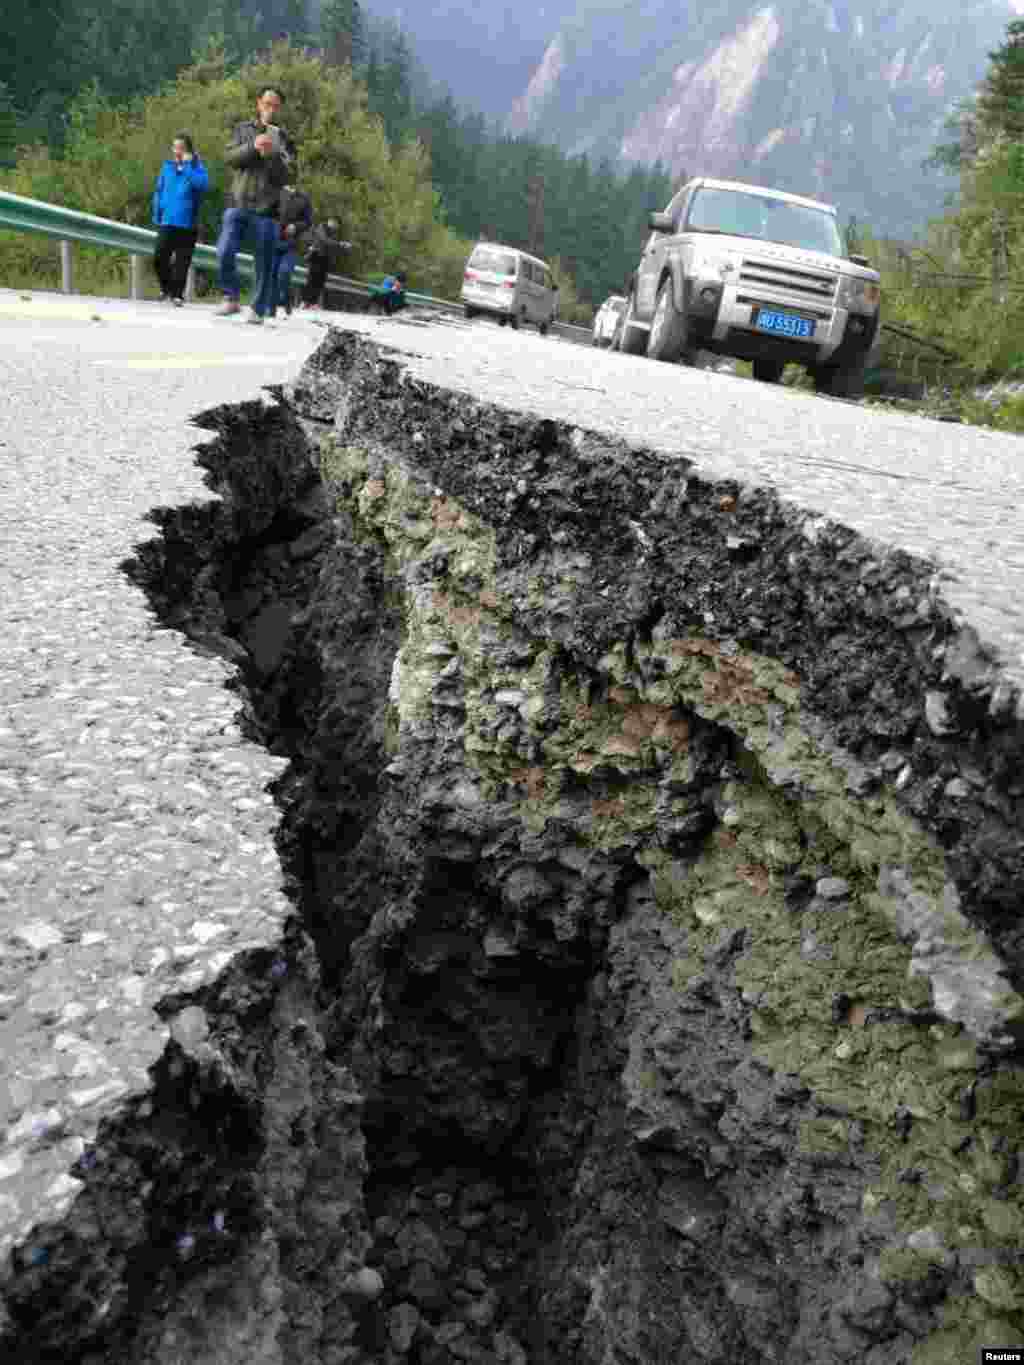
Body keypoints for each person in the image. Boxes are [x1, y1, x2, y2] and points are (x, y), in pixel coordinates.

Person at [215, 87, 296, 325]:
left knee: (264, 262)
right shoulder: (243, 129)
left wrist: (271, 154)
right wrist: (253, 147)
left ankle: (257, 309)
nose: (270, 109)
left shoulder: (284, 138)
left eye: (275, 106)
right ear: (258, 103)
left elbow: (289, 176)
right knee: (224, 250)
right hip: (238, 201)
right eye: (267, 103)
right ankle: (230, 297)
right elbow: (230, 158)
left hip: (267, 208)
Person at [151, 133, 208, 306]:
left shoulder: (196, 168)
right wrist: (157, 212)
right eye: (175, 147)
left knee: (182, 263)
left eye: (181, 148)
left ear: (188, 150)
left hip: (187, 223)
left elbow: (203, 185)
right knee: (159, 257)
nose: (177, 151)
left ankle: (177, 295)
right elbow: (159, 190)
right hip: (167, 220)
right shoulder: (167, 167)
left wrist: (188, 167)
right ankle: (166, 288)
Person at [268, 183, 312, 318]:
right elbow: (265, 211)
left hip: (291, 244)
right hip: (273, 241)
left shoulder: (303, 198)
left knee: (284, 273)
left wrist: (296, 226)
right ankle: (271, 309)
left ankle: (287, 299)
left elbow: (308, 221)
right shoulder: (275, 192)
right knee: (272, 275)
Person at [299, 218, 352, 309]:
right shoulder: (321, 227)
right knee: (312, 279)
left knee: (320, 281)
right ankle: (304, 301)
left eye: (337, 226)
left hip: (326, 259)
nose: (335, 226)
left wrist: (342, 247)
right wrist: (341, 244)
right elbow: (325, 240)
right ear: (331, 221)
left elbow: (333, 246)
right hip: (316, 256)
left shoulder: (334, 233)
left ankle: (313, 303)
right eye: (334, 224)